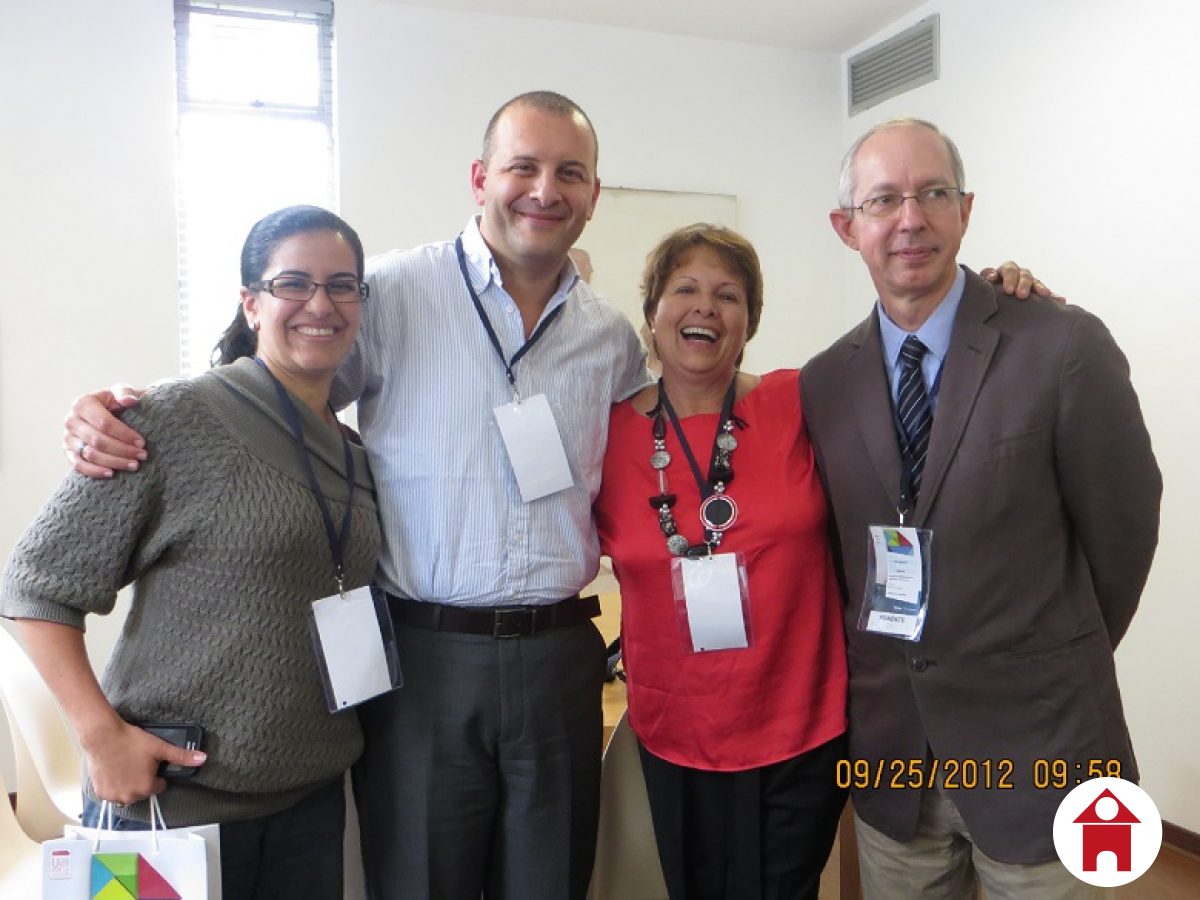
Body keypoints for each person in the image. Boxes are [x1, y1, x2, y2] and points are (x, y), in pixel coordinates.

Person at [58, 92, 1050, 899]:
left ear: (592, 196)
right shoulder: (389, 294)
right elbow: (281, 382)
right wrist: (137, 408)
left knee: (551, 881)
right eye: (523, 167)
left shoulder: (609, 340)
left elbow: (739, 409)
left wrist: (987, 297)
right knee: (424, 881)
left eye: (569, 173)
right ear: (480, 178)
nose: (544, 189)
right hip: (425, 657)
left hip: (560, 662)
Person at [801, 118, 1161, 899]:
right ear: (847, 227)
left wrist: (1048, 654)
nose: (910, 219)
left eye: (933, 193)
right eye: (883, 200)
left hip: (1047, 749)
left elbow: (1124, 531)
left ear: (964, 210)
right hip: (897, 763)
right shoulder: (824, 383)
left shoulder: (1061, 345)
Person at [1, 205, 381, 900]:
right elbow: (35, 585)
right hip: (169, 806)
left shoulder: (354, 452)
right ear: (251, 302)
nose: (320, 304)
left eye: (342, 286)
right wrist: (99, 736)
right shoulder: (174, 419)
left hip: (310, 801)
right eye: (293, 283)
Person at [594, 224, 847, 900]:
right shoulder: (606, 433)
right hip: (676, 732)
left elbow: (911, 371)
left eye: (728, 295)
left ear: (749, 322)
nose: (705, 306)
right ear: (652, 315)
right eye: (685, 289)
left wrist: (997, 298)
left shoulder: (800, 402)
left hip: (802, 723)